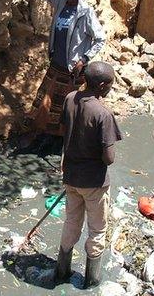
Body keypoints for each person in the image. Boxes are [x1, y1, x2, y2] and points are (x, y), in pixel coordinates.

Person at [18, 0, 106, 153]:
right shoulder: (60, 1)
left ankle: (63, 141)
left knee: (67, 108)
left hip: (73, 70)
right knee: (45, 102)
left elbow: (100, 39)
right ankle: (39, 134)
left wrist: (84, 58)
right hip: (56, 65)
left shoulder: (86, 12)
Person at [55, 61, 122, 289]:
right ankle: (91, 281)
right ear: (102, 85)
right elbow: (109, 158)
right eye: (111, 84)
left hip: (71, 177)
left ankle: (61, 271)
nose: (111, 88)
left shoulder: (70, 98)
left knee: (71, 222)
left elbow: (66, 133)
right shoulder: (103, 114)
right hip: (94, 183)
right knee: (97, 230)